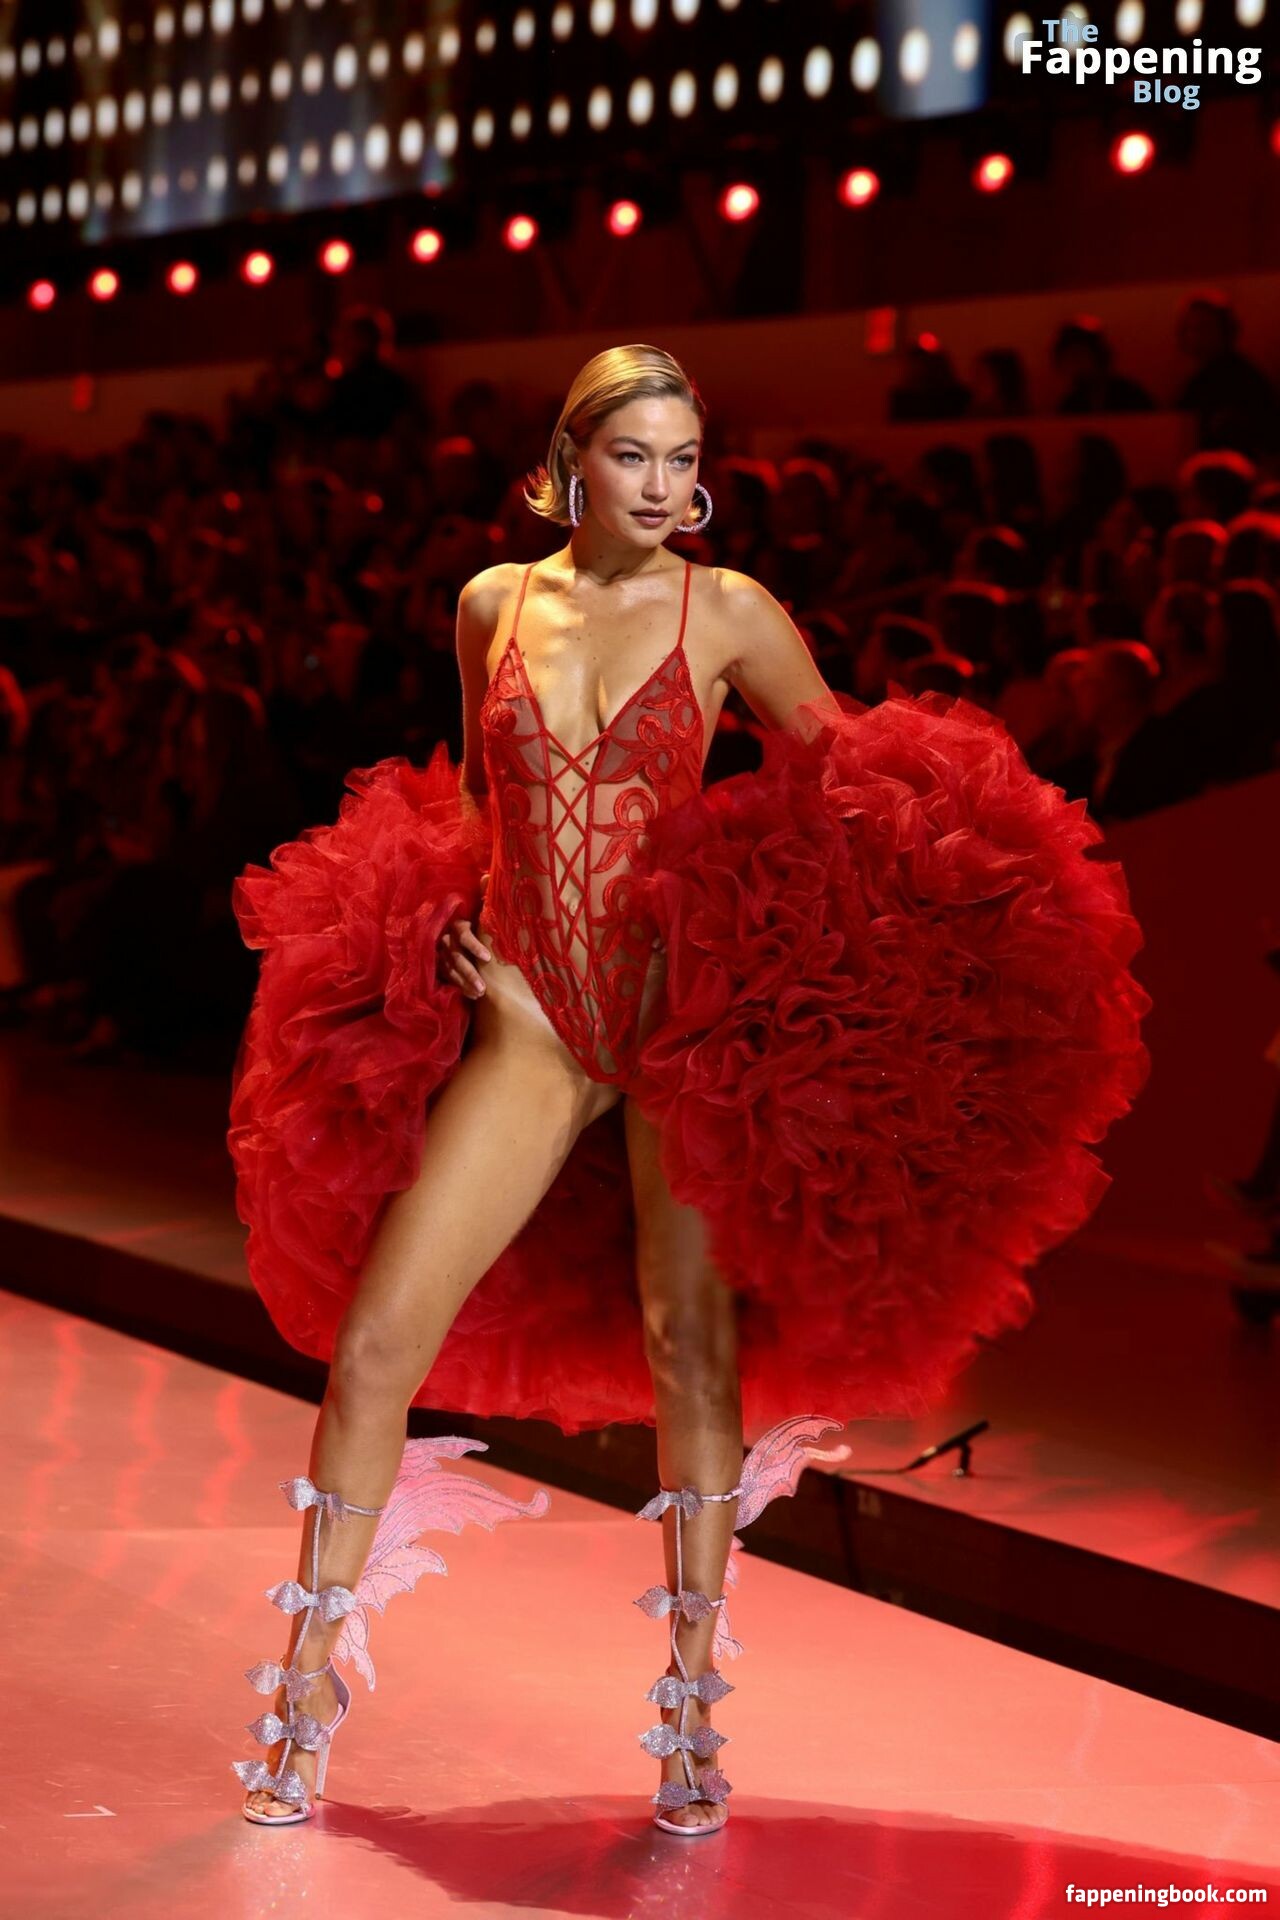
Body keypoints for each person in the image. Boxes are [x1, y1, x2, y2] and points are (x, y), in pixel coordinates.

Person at [227, 345, 1151, 1836]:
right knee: (379, 1339)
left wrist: (787, 952)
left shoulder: (728, 612)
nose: (662, 487)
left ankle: (690, 1713)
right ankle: (303, 1689)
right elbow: (479, 799)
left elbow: (855, 786)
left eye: (682, 459)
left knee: (690, 1354)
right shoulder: (491, 603)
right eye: (634, 457)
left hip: (679, 1033)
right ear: (572, 461)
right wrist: (455, 924)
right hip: (531, 1023)